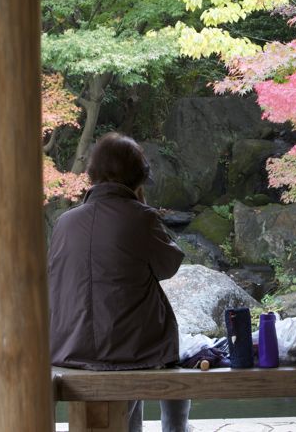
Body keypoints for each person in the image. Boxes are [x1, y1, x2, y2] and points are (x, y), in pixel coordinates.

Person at [48, 132, 191, 432]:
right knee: (170, 350)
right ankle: (176, 427)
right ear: (138, 178)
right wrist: (142, 208)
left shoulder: (64, 223)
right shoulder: (140, 218)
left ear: (93, 175)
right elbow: (168, 266)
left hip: (70, 349)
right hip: (131, 351)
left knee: (130, 336)